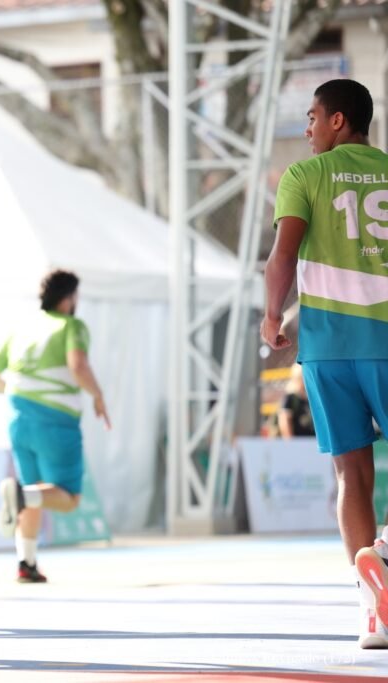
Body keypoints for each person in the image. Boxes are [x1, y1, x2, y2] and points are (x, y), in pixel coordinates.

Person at [261, 78, 388, 650]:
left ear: (339, 120)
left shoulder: (303, 175)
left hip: (328, 347)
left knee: (350, 474)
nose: (307, 127)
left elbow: (283, 254)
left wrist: (272, 315)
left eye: (313, 116)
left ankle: (374, 613)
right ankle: (384, 553)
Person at [0, 270, 110, 583]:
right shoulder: (71, 326)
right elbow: (78, 365)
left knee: (34, 489)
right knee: (67, 497)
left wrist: (21, 393)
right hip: (56, 421)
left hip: (18, 419)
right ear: (68, 298)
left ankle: (26, 564)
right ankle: (20, 497)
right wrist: (98, 396)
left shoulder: (22, 329)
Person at [278, 364, 315, 438]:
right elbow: (284, 421)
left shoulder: (312, 398)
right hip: (298, 441)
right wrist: (290, 441)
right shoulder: (290, 398)